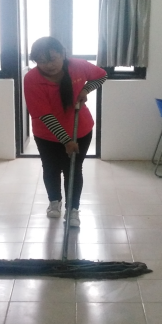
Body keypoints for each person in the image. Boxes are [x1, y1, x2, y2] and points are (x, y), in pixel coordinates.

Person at [24, 37, 107, 227]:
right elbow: (44, 115)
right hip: (47, 134)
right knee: (51, 168)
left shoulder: (78, 66)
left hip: (80, 130)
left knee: (73, 170)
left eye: (52, 59)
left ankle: (73, 209)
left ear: (63, 54)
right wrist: (66, 141)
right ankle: (55, 201)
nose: (48, 65)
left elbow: (101, 76)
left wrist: (86, 89)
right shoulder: (32, 79)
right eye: (41, 61)